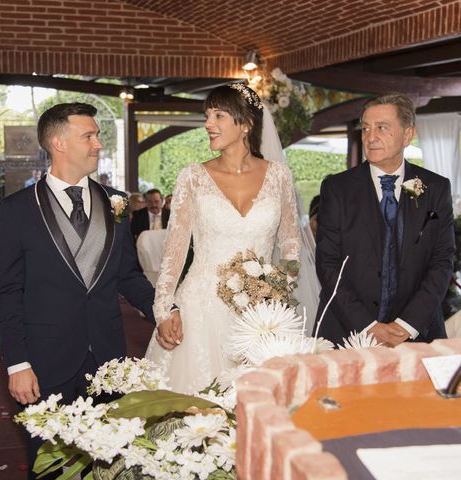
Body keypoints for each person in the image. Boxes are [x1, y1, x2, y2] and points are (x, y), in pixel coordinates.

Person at [0, 102, 157, 476]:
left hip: (106, 358)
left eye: (97, 135)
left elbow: (128, 275)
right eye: (89, 136)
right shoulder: (18, 209)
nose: (98, 144)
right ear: (58, 142)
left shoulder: (115, 203)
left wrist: (162, 309)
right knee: (51, 465)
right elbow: (9, 292)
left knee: (109, 464)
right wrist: (18, 363)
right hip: (45, 363)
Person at [145, 84, 301, 394]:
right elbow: (174, 254)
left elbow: (290, 243)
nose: (208, 124)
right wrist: (163, 309)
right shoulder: (192, 177)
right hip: (199, 309)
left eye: (218, 115)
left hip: (259, 314)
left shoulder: (279, 175)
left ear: (246, 124)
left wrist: (277, 288)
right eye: (207, 116)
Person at [315, 93, 454, 347]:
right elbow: (328, 263)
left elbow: (441, 260)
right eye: (365, 128)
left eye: (382, 128)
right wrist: (367, 327)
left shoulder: (434, 188)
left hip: (417, 334)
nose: (370, 136)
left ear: (407, 134)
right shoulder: (337, 188)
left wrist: (407, 324)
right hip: (346, 333)